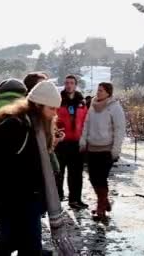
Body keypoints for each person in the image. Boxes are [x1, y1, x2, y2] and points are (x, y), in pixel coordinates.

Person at [0, 81, 74, 255]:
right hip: (12, 198)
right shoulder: (15, 124)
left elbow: (34, 156)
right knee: (9, 244)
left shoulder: (37, 125)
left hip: (29, 197)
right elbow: (2, 160)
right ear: (38, 105)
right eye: (51, 109)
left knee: (23, 245)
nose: (55, 113)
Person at [80, 82, 125, 222]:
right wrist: (83, 140)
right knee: (93, 178)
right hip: (92, 148)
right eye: (98, 90)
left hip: (106, 149)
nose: (98, 93)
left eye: (101, 90)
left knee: (101, 178)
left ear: (108, 93)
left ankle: (101, 209)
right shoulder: (92, 106)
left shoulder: (114, 107)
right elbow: (86, 125)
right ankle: (104, 201)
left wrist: (116, 150)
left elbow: (119, 129)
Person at [56, 75, 88, 209]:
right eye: (66, 82)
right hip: (61, 142)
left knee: (76, 174)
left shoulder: (82, 102)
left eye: (71, 83)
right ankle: (57, 199)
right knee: (59, 173)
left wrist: (85, 139)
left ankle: (75, 199)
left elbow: (86, 121)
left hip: (76, 142)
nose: (69, 85)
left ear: (76, 85)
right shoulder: (58, 100)